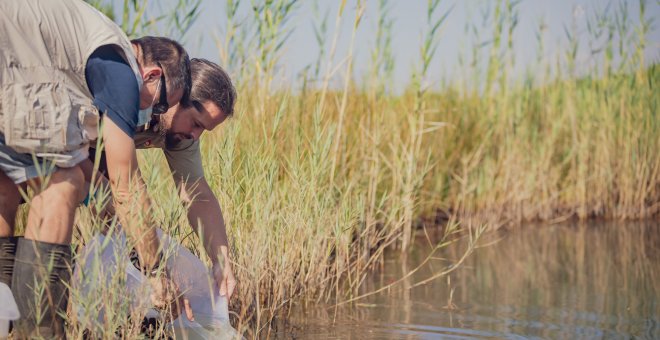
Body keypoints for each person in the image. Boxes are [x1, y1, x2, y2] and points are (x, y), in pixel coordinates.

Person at [0, 0, 194, 337]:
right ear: (151, 74)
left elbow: (106, 188)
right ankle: (38, 331)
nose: (153, 111)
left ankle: (4, 322)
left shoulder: (85, 44)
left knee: (5, 184)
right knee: (61, 182)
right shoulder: (120, 67)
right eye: (160, 102)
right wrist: (155, 272)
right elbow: (127, 186)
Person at [82, 57, 238, 306]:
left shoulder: (182, 133)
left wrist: (221, 260)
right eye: (196, 123)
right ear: (176, 98)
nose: (194, 136)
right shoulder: (130, 96)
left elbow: (196, 191)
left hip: (95, 153)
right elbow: (117, 188)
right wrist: (153, 269)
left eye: (203, 130)